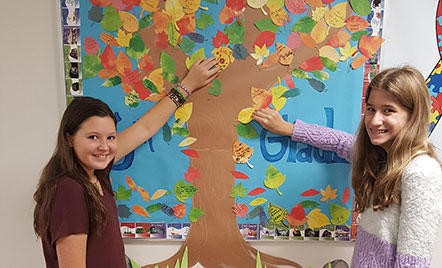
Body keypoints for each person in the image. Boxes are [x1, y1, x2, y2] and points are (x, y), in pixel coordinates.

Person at [33, 57, 219, 268]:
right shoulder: (70, 189)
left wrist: (187, 87)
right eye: (92, 137)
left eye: (110, 137)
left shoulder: (95, 176)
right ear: (69, 138)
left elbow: (144, 129)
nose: (104, 147)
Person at [252, 66, 442, 267]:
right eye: (371, 109)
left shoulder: (421, 172)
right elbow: (339, 142)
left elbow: (412, 263)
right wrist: (288, 128)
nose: (375, 120)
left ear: (413, 116)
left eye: (388, 110)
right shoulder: (380, 156)